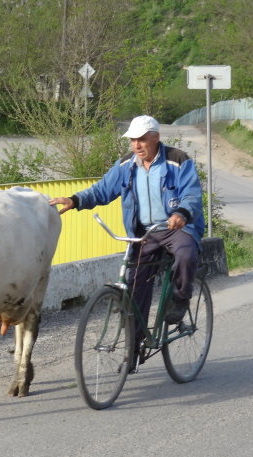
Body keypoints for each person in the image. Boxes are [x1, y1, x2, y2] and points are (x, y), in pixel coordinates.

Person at [49, 115, 204, 371]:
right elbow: (102, 190)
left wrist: (182, 214)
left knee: (186, 253)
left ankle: (180, 298)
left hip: (175, 227)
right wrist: (74, 200)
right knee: (134, 288)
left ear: (156, 137)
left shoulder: (178, 160)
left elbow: (191, 194)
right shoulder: (125, 166)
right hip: (144, 233)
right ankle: (133, 348)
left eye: (142, 139)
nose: (137, 145)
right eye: (133, 140)